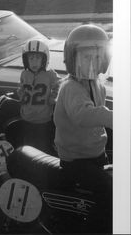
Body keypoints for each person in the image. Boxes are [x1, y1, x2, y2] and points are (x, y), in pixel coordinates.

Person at [53, 24, 113, 233]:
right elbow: (84, 115)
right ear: (72, 59)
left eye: (97, 58)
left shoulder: (98, 85)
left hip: (96, 153)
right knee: (111, 192)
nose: (92, 63)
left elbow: (101, 115)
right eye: (86, 57)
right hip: (76, 160)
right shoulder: (71, 88)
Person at [17, 39, 62, 154]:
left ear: (44, 59)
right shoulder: (24, 73)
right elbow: (21, 87)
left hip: (43, 119)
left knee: (42, 147)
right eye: (31, 58)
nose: (34, 62)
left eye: (38, 58)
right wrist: (21, 95)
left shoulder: (50, 74)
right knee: (27, 147)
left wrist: (53, 97)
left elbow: (60, 84)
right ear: (26, 60)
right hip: (26, 118)